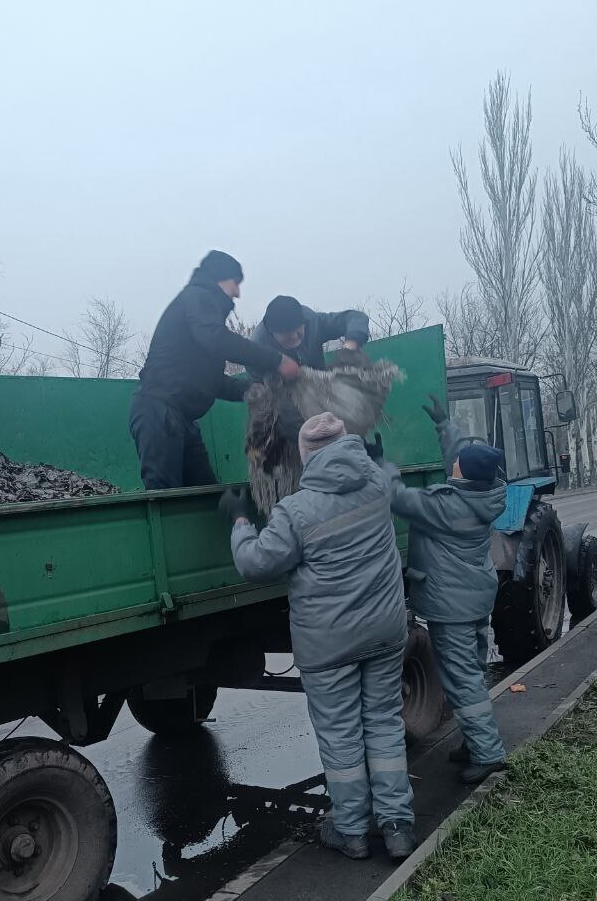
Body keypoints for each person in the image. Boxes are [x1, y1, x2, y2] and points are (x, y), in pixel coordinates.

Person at [220, 411, 417, 861]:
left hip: (329, 645)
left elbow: (255, 564)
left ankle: (351, 832)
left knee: (341, 736)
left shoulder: (297, 510)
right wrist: (380, 457)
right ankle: (398, 827)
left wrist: (238, 521)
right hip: (386, 631)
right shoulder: (376, 483)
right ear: (349, 447)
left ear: (306, 457)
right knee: (385, 724)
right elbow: (388, 471)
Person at [383, 395, 507, 786]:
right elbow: (462, 459)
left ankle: (488, 754)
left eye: (457, 463)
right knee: (471, 670)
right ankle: (475, 741)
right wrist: (444, 425)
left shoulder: (447, 508)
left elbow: (398, 497)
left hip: (451, 605)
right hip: (472, 598)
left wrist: (377, 464)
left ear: (462, 475)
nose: (453, 461)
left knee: (461, 678)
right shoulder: (482, 494)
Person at [130, 252, 300, 490]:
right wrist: (276, 360)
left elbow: (211, 381)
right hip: (159, 412)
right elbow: (215, 338)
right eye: (236, 283)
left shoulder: (201, 316)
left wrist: (252, 389)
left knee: (206, 495)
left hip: (181, 419)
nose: (238, 293)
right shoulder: (197, 297)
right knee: (165, 497)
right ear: (220, 279)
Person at [245, 295, 370, 384]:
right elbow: (260, 393)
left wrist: (349, 349)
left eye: (298, 330)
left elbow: (355, 318)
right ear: (272, 333)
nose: (294, 337)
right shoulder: (256, 351)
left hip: (324, 391)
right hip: (287, 403)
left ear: (304, 323)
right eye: (287, 334)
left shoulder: (313, 322)